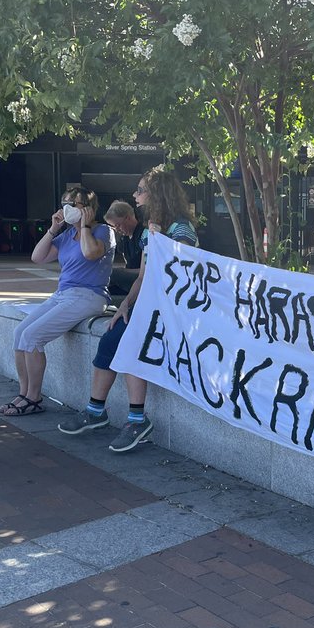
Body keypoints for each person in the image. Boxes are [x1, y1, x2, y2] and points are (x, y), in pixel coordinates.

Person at [58, 167, 198, 452]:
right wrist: (124, 304)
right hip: (148, 306)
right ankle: (95, 410)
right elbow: (144, 277)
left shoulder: (181, 229)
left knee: (131, 345)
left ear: (157, 194)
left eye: (141, 190)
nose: (135, 196)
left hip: (173, 310)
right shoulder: (150, 231)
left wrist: (161, 241)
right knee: (110, 339)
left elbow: (180, 270)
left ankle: (137, 419)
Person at [0, 186, 115, 416]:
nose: (67, 208)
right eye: (65, 203)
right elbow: (38, 257)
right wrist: (53, 230)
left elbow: (91, 253)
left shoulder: (103, 231)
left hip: (89, 295)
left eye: (74, 204)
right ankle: (24, 393)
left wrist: (84, 226)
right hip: (63, 294)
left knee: (33, 337)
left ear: (89, 209)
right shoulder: (64, 236)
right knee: (20, 333)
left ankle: (33, 397)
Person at [104, 199, 147, 298]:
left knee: (112, 273)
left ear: (128, 218)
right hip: (131, 277)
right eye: (114, 227)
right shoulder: (125, 238)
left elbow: (146, 270)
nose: (117, 229)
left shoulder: (143, 234)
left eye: (118, 225)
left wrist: (122, 272)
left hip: (143, 277)